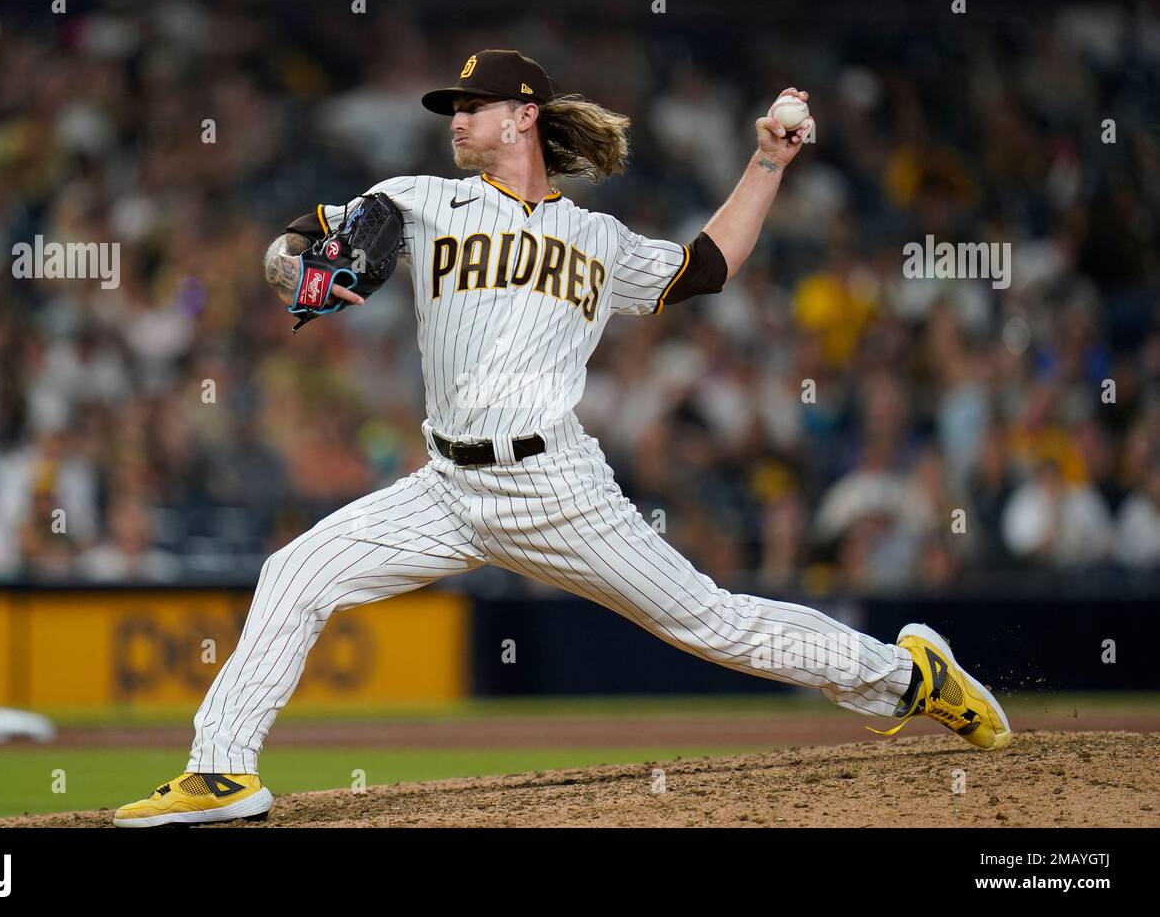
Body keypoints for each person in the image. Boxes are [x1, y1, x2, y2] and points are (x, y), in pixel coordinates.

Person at [113, 50, 1011, 828]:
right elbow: (306, 246)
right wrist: (294, 268)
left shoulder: (597, 237)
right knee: (294, 574)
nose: (456, 119)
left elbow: (706, 269)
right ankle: (221, 770)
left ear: (524, 117)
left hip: (559, 489)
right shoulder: (418, 199)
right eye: (453, 107)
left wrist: (767, 163)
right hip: (445, 488)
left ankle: (908, 679)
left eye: (471, 106)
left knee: (713, 623)